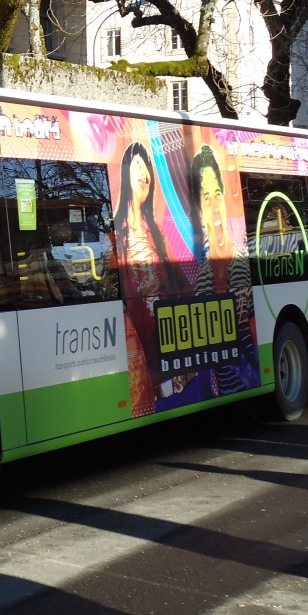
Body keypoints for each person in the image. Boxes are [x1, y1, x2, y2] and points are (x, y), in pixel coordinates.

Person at [111, 141, 187, 417]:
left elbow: (180, 283)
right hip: (140, 336)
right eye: (138, 166)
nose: (145, 175)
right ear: (124, 174)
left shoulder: (157, 232)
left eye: (147, 168)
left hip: (166, 336)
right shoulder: (115, 234)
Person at [189, 143, 257, 395]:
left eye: (217, 194)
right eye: (206, 199)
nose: (215, 207)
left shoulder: (244, 263)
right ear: (199, 210)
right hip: (225, 390)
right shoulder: (201, 282)